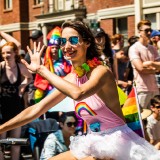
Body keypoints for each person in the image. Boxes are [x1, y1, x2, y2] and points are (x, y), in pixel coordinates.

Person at [0, 20, 160, 160]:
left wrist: (41, 70)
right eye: (63, 41)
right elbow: (36, 109)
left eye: (74, 40)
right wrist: (2, 128)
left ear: (87, 42)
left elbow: (78, 93)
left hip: (118, 143)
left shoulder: (101, 71)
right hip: (94, 141)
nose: (67, 46)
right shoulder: (72, 77)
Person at [0, 42, 32, 160]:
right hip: (2, 108)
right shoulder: (1, 66)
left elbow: (30, 77)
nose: (6, 55)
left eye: (8, 52)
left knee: (15, 142)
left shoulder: (20, 67)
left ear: (15, 53)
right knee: (2, 142)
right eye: (3, 53)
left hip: (16, 108)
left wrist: (22, 86)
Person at [129, 20, 160, 109]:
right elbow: (140, 68)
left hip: (154, 88)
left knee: (156, 119)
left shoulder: (152, 48)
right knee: (143, 119)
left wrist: (149, 63)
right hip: (141, 89)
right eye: (146, 30)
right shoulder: (134, 48)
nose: (149, 33)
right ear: (139, 32)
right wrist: (155, 69)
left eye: (150, 30)